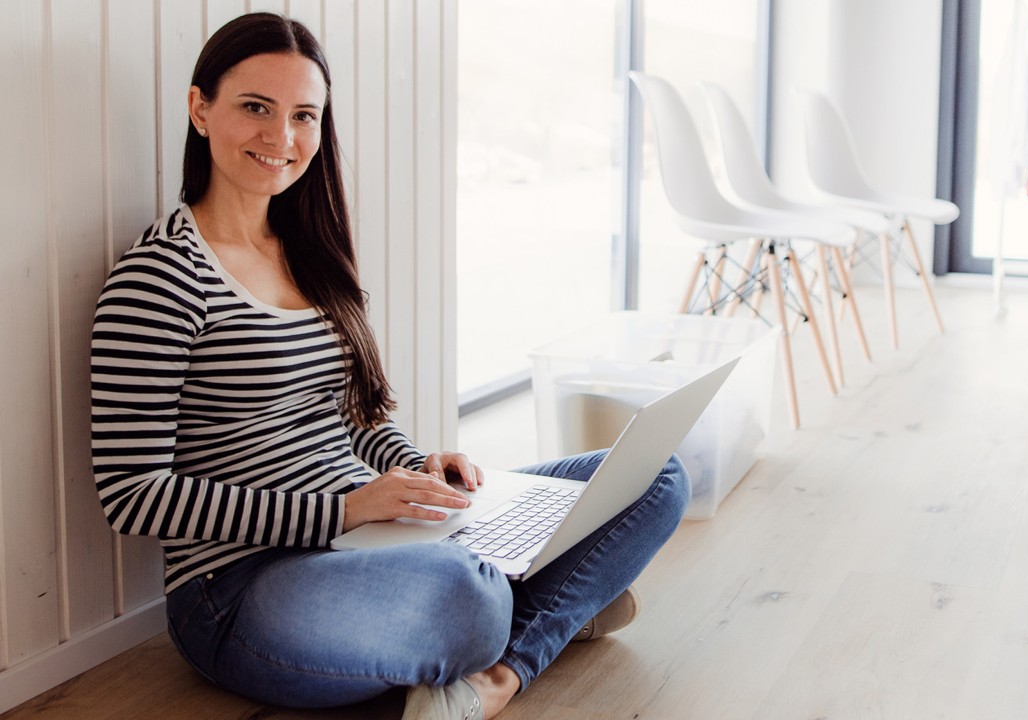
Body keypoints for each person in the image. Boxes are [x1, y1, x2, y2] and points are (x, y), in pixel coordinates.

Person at [89, 13, 690, 720]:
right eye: (256, 107)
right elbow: (131, 493)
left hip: (375, 533)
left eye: (303, 115)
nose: (280, 137)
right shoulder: (159, 278)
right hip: (241, 585)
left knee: (660, 475)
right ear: (200, 108)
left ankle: (498, 670)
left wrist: (418, 467)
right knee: (468, 594)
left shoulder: (309, 254)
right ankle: (548, 613)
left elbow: (350, 418)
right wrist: (340, 510)